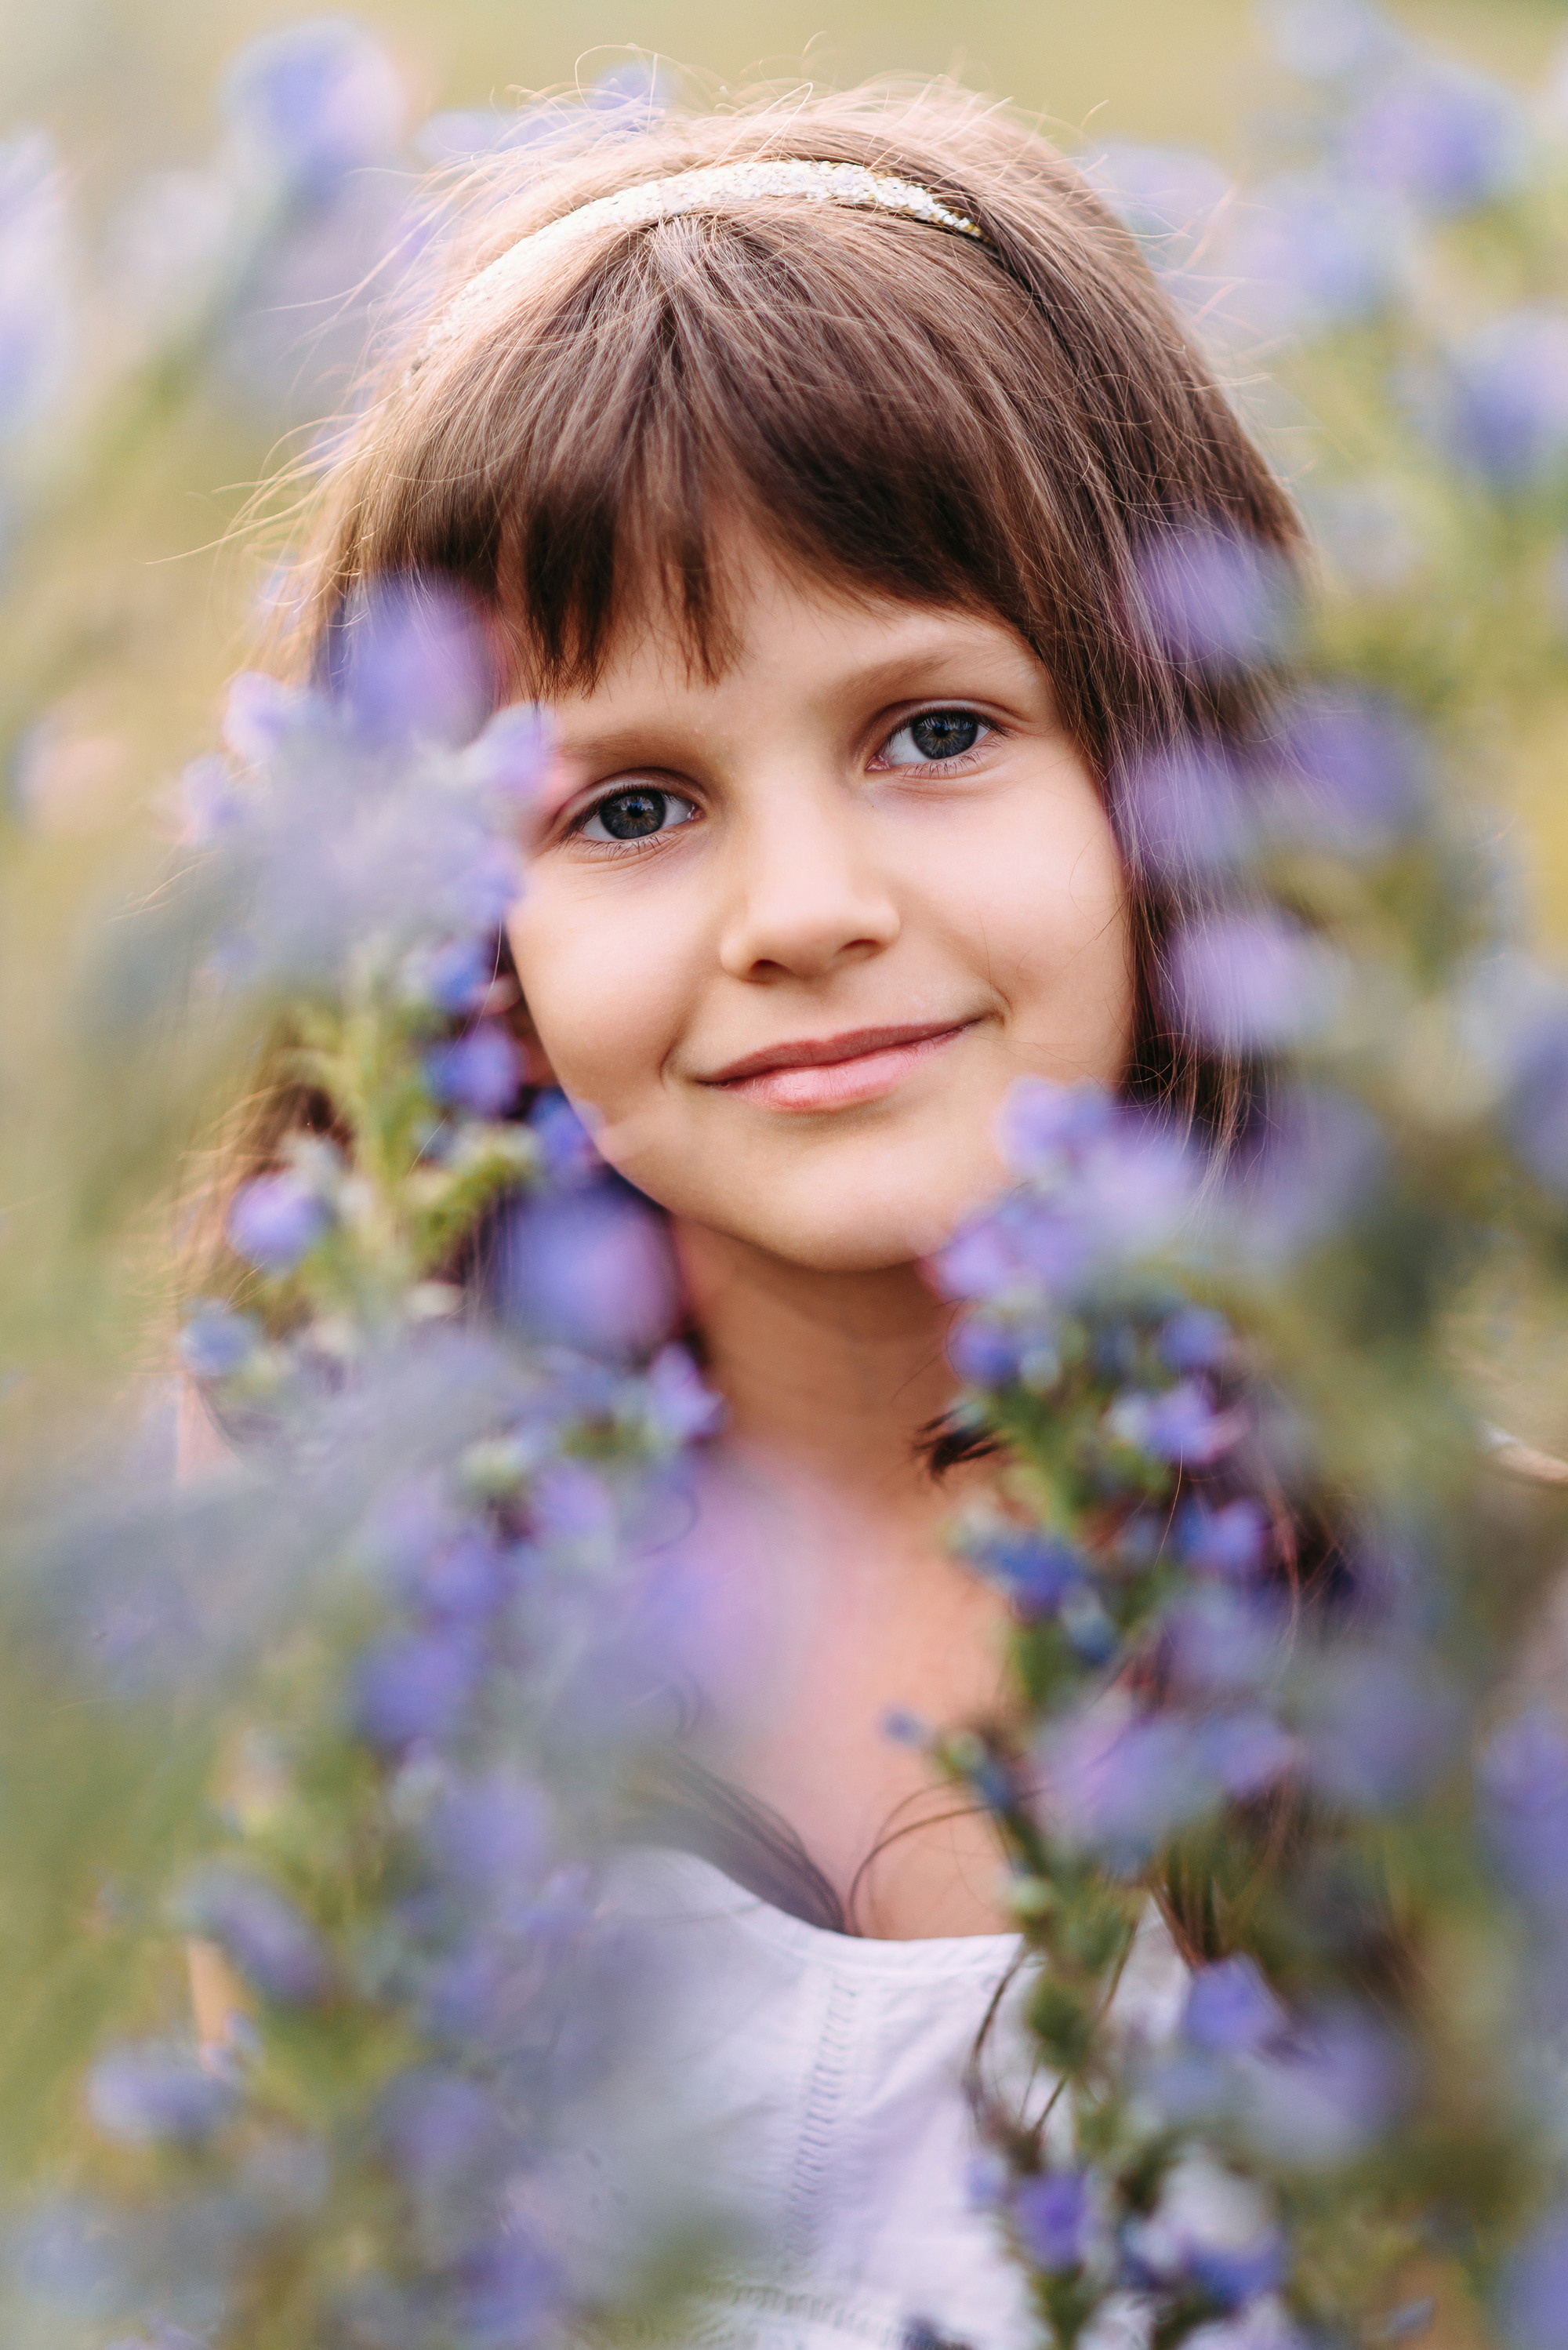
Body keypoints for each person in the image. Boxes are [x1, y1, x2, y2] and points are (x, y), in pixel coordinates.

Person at [190, 84, 1303, 2350]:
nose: (804, 913)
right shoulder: (383, 1603)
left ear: (1172, 755)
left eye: (932, 732)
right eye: (627, 803)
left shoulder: (1452, 1616)